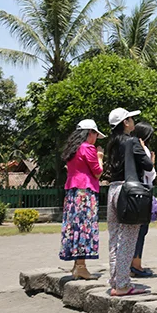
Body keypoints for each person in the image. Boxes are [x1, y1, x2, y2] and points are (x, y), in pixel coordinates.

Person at [106, 108, 154, 296]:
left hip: (114, 190)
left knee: (114, 238)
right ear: (125, 123)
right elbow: (148, 165)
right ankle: (123, 284)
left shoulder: (113, 143)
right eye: (131, 118)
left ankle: (115, 279)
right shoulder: (132, 141)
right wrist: (143, 149)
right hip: (129, 192)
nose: (133, 121)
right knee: (127, 238)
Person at [59, 119, 105, 280]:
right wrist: (100, 157)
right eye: (95, 134)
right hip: (85, 191)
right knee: (85, 227)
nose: (95, 139)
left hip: (72, 191)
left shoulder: (72, 150)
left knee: (74, 226)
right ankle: (81, 266)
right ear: (90, 133)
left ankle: (76, 265)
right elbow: (98, 172)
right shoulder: (88, 148)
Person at [130, 122, 156, 278]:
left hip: (130, 192)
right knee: (141, 230)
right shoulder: (142, 148)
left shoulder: (128, 147)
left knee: (132, 230)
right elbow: (150, 172)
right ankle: (136, 264)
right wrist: (152, 161)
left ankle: (131, 263)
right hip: (142, 191)